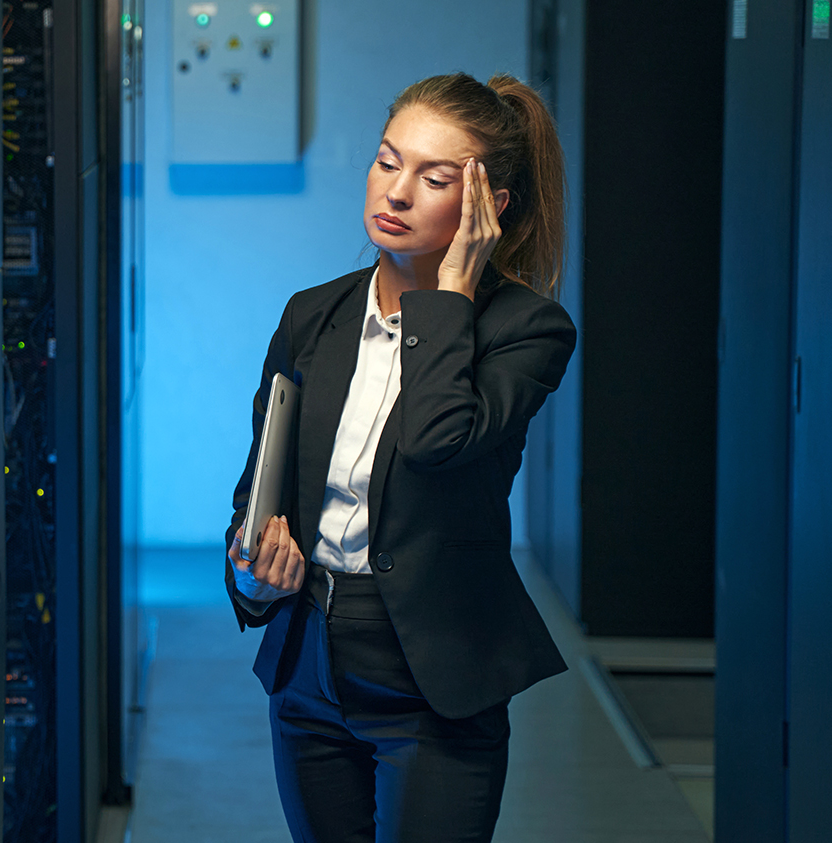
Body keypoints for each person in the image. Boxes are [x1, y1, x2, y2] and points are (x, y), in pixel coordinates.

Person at [224, 72, 576, 843]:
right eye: (389, 161)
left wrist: (449, 291)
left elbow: (435, 439)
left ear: (490, 207)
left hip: (434, 682)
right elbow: (260, 486)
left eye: (435, 177)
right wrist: (251, 572)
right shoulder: (313, 315)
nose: (399, 190)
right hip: (309, 663)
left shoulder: (529, 331)